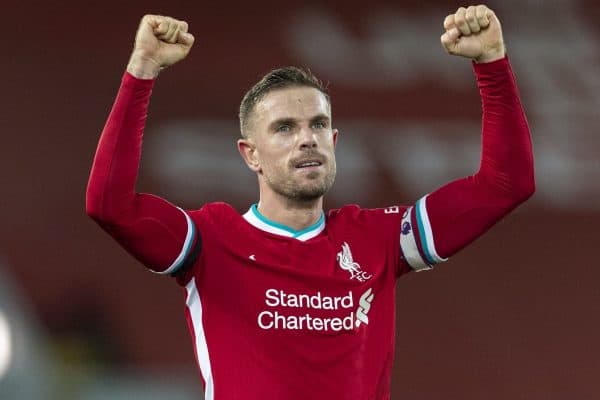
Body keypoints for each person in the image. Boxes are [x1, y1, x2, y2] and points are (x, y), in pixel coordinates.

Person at [86, 5, 534, 399]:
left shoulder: (380, 238)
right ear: (250, 155)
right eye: (284, 128)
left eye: (318, 125)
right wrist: (142, 69)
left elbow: (505, 185)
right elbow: (110, 205)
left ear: (334, 141)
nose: (307, 139)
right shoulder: (210, 243)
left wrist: (491, 63)